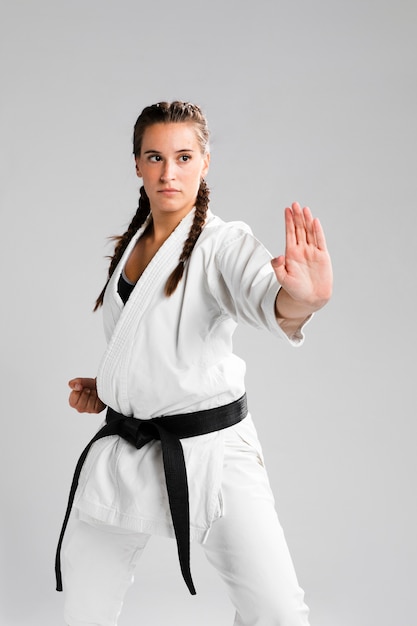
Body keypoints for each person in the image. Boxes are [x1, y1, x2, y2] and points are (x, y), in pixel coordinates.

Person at [57, 101, 333, 626]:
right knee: (84, 600)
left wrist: (303, 299)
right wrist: (113, 386)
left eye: (184, 157)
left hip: (212, 451)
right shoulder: (133, 243)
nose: (168, 172)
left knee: (277, 611)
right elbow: (150, 339)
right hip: (130, 445)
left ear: (205, 162)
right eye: (155, 157)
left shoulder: (222, 244)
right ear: (137, 164)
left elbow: (265, 298)